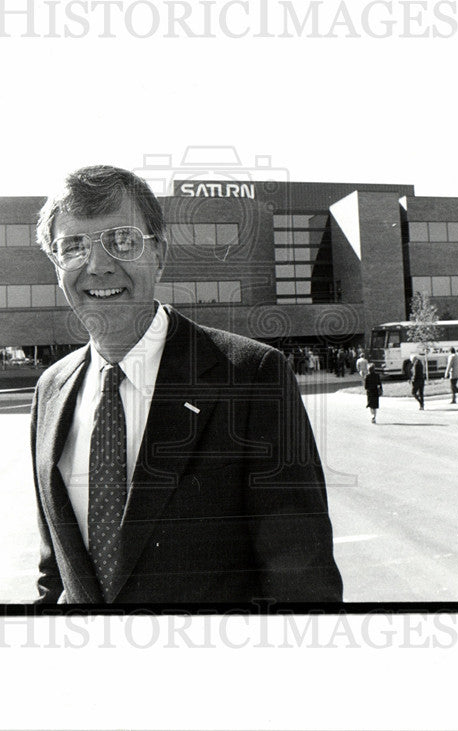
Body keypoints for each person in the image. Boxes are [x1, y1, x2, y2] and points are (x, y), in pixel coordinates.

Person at [30, 165, 343, 605]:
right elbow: (55, 575)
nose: (98, 266)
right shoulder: (50, 391)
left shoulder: (252, 378)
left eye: (122, 240)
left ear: (158, 253)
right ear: (55, 266)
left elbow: (302, 582)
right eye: (74, 246)